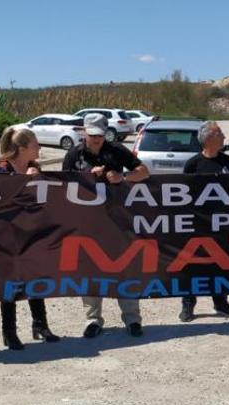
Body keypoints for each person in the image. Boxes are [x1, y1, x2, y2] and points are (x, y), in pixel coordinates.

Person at [62, 114, 150, 338]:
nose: (96, 140)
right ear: (84, 132)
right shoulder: (73, 154)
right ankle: (93, 319)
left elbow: (144, 172)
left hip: (117, 220)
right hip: (87, 222)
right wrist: (85, 177)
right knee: (90, 270)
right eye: (92, 135)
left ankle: (132, 319)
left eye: (99, 135)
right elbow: (62, 185)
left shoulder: (117, 150)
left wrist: (123, 177)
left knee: (126, 267)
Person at [0, 127, 60, 349]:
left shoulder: (35, 168)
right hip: (9, 235)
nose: (39, 147)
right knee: (11, 283)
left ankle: (40, 325)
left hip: (32, 233)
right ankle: (9, 331)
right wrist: (24, 180)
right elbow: (2, 201)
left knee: (36, 279)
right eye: (35, 145)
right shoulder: (2, 169)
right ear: (22, 149)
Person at [178, 121, 229, 322]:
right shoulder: (193, 164)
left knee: (221, 263)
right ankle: (188, 304)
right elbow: (182, 194)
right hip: (198, 223)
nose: (224, 137)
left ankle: (221, 302)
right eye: (220, 133)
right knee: (193, 264)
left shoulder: (228, 162)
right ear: (208, 139)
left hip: (223, 223)